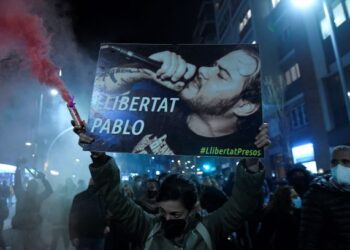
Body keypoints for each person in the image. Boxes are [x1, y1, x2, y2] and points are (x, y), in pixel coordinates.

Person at [74, 122, 270, 250]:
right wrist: (98, 156)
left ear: (193, 208)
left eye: (175, 214)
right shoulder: (148, 226)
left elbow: (242, 204)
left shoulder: (211, 227)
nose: (167, 219)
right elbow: (115, 199)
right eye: (162, 212)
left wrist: (252, 163)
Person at [93, 45, 262, 156]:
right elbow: (97, 90)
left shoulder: (243, 149)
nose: (203, 69)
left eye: (221, 75)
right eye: (214, 65)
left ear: (245, 106)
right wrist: (145, 70)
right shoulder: (157, 107)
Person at [299, 145, 350, 250]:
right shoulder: (316, 194)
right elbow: (308, 238)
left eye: (345, 162)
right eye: (334, 162)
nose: (339, 167)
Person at [12, 166, 53, 250]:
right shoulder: (37, 197)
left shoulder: (22, 195)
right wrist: (43, 179)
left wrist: (18, 168)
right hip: (30, 227)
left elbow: (17, 183)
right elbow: (49, 190)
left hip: (23, 227)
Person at [255, 186, 301, 250]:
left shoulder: (294, 215)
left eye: (297, 196)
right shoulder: (276, 217)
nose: (298, 199)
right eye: (294, 197)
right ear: (286, 199)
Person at [69, 179, 109, 250]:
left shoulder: (102, 197)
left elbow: (106, 213)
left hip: (97, 236)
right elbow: (73, 218)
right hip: (84, 237)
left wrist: (107, 225)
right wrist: (73, 236)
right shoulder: (80, 197)